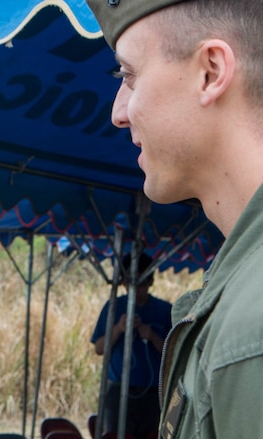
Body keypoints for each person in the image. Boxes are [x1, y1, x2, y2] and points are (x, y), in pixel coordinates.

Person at [85, 0, 263, 437]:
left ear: (211, 71)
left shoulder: (251, 328)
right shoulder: (238, 283)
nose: (118, 111)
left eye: (128, 76)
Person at [90, 253, 171, 439]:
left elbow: (174, 354)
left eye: (141, 284)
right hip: (119, 391)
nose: (136, 289)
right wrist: (118, 329)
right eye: (130, 283)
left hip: (152, 391)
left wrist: (152, 336)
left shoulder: (165, 311)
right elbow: (99, 348)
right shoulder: (113, 307)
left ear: (150, 282)